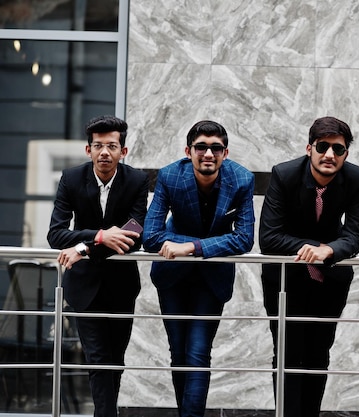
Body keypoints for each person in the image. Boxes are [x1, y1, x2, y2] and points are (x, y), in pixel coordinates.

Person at [142, 120, 255, 417]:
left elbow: (244, 239)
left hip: (211, 278)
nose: (208, 153)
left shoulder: (242, 179)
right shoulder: (170, 176)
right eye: (201, 147)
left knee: (197, 353)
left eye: (215, 148)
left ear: (225, 153)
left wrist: (190, 248)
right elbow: (151, 236)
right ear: (188, 151)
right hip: (172, 276)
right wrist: (197, 245)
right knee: (178, 353)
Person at [259, 116, 359, 417]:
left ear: (346, 153)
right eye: (323, 146)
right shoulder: (284, 174)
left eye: (338, 149)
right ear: (310, 148)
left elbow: (355, 235)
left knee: (319, 354)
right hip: (286, 279)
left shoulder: (357, 179)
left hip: (330, 280)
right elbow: (268, 237)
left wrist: (328, 251)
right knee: (288, 353)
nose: (330, 155)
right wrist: (311, 248)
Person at [47, 115, 149, 417]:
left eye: (112, 146)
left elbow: (135, 235)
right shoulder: (71, 178)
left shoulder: (137, 180)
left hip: (121, 285)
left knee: (115, 360)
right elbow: (55, 234)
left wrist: (82, 248)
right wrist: (100, 235)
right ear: (88, 149)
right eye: (98, 146)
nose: (105, 152)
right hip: (84, 287)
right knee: (98, 358)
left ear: (123, 151)